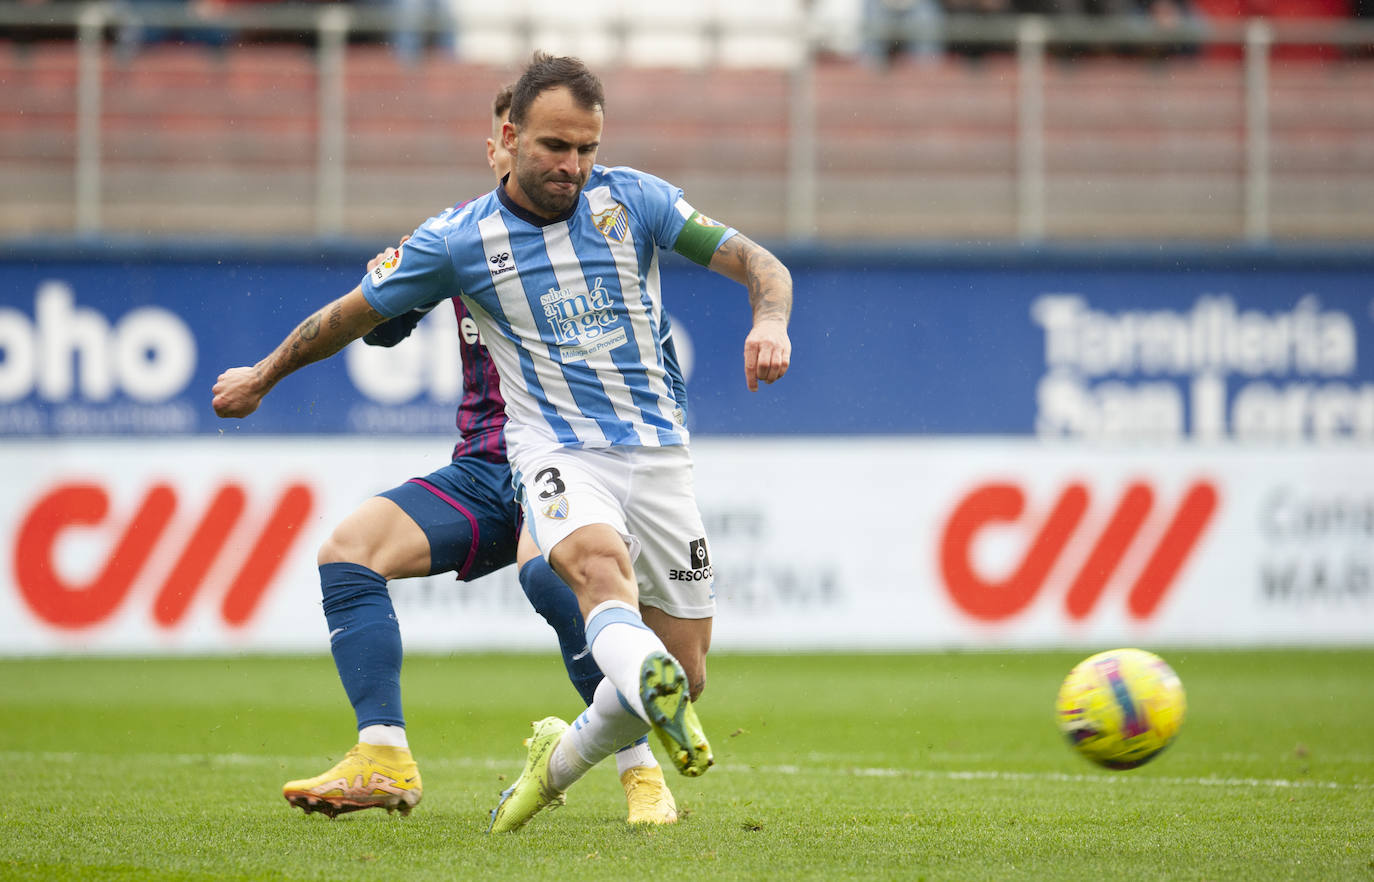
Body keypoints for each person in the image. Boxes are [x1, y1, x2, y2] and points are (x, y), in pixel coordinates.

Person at [215, 51, 793, 832]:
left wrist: (769, 320)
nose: (572, 165)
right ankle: (383, 752)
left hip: (644, 454)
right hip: (518, 458)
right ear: (502, 143)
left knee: (654, 648)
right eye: (553, 147)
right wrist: (268, 371)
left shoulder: (630, 205)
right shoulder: (456, 242)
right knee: (395, 554)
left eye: (585, 149)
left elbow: (756, 261)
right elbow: (367, 320)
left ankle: (601, 758)